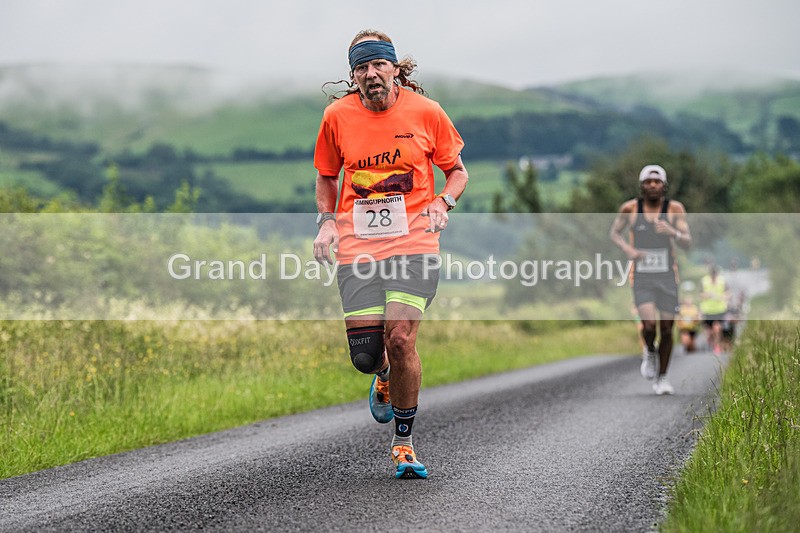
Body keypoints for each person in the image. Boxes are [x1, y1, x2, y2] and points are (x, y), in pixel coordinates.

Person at [312, 30, 468, 479]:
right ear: (353, 77)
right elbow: (326, 175)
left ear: (396, 68)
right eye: (362, 68)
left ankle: (403, 444)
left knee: (401, 339)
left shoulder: (427, 112)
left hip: (414, 243)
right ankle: (382, 375)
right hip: (359, 247)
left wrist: (443, 202)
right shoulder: (337, 117)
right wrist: (326, 222)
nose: (371, 74)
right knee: (366, 355)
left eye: (379, 65)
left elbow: (456, 171)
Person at [610, 164, 692, 395]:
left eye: (657, 182)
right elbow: (614, 233)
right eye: (648, 182)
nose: (653, 185)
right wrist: (628, 250)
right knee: (648, 326)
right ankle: (649, 349)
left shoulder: (674, 209)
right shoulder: (630, 208)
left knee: (667, 330)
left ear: (664, 185)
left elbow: (687, 241)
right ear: (642, 185)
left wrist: (672, 232)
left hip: (667, 276)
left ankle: (663, 377)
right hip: (642, 276)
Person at [699, 265, 729, 355]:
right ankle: (711, 341)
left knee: (717, 328)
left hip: (720, 309)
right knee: (710, 330)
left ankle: (717, 346)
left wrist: (724, 296)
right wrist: (707, 295)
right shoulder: (704, 281)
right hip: (707, 309)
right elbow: (700, 294)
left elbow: (728, 292)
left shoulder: (722, 281)